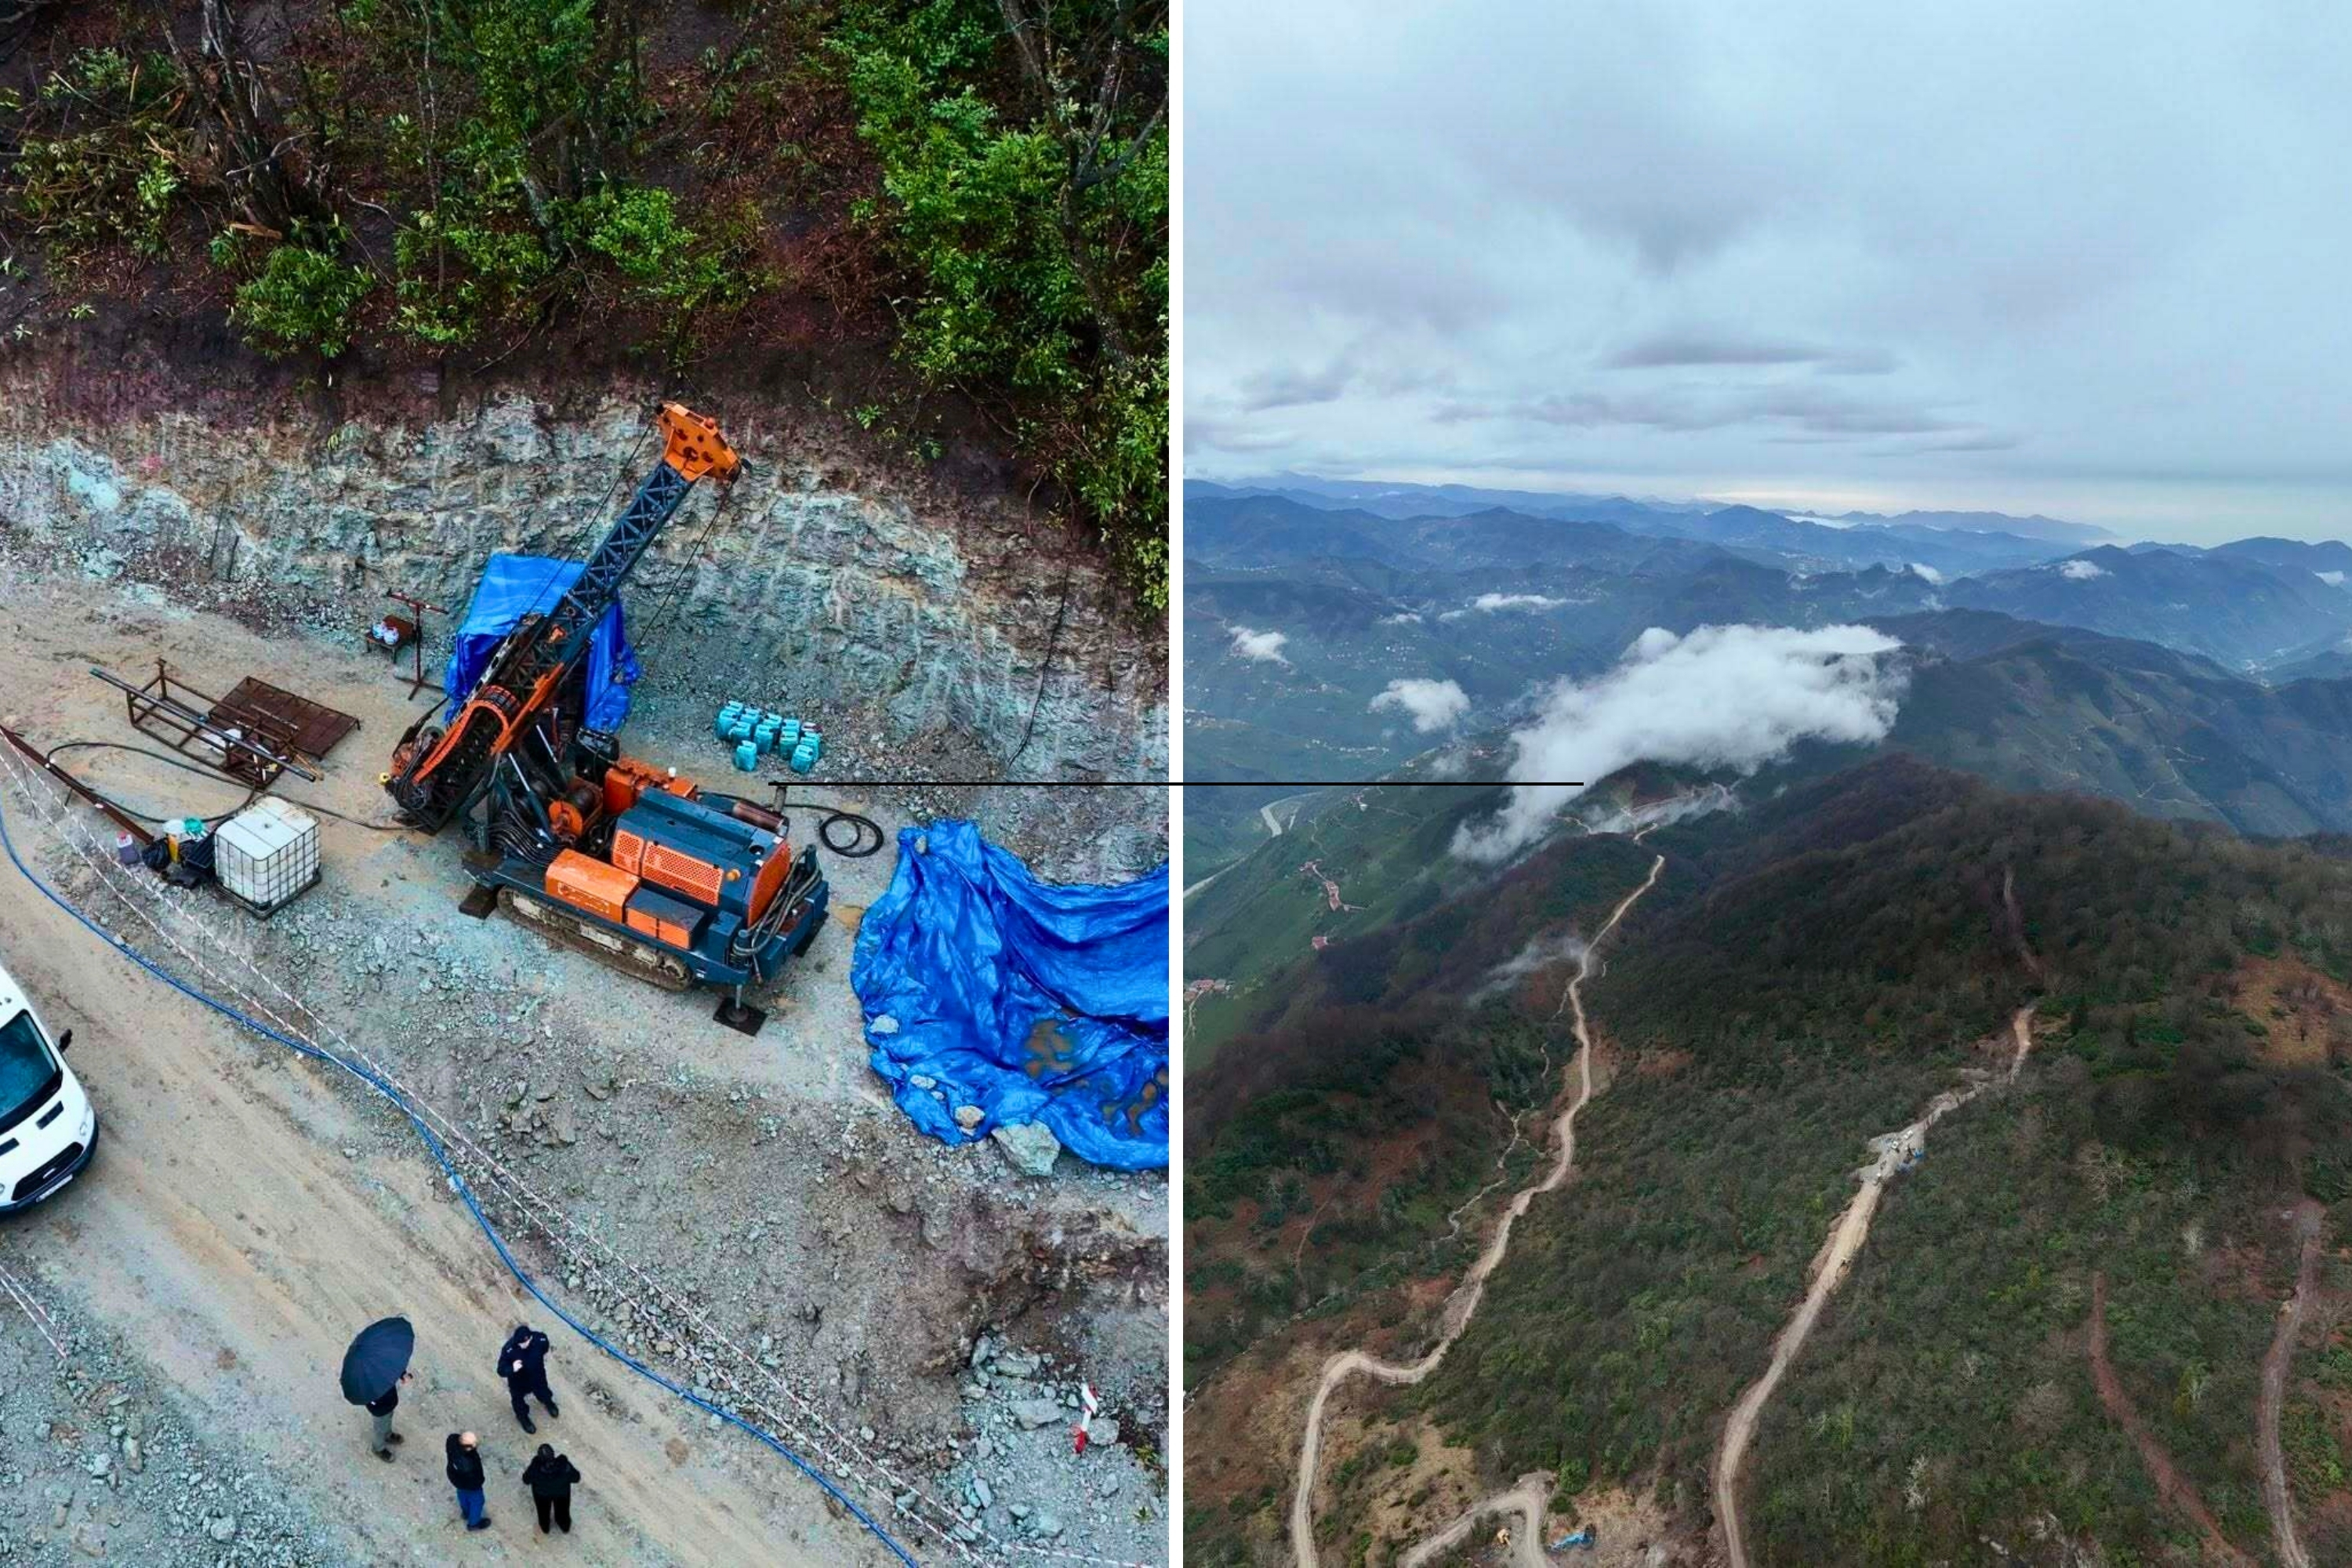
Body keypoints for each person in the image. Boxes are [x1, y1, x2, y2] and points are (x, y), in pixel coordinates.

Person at [497, 1323, 559, 1433]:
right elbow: (501, 1370)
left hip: (537, 1376)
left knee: (543, 1391)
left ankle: (548, 1403)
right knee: (518, 1401)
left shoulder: (540, 1340)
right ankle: (523, 1418)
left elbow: (545, 1347)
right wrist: (512, 1368)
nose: (520, 1345)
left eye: (523, 1343)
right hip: (518, 1382)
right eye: (518, 1343)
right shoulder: (509, 1349)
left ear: (530, 1339)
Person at [521, 1443, 582, 1535]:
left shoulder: (535, 1468)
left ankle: (545, 1527)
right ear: (553, 1454)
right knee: (563, 1511)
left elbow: (526, 1480)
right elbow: (576, 1478)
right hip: (562, 1493)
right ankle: (564, 1526)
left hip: (542, 1495)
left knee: (543, 1512)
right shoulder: (564, 1465)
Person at [445, 1431, 492, 1531]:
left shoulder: (452, 1441)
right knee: (477, 1501)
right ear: (467, 1448)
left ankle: (466, 1512)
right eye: (473, 1444)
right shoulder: (468, 1464)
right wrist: (480, 1482)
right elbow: (475, 1480)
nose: (475, 1445)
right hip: (470, 1484)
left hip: (455, 1478)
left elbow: (454, 1437)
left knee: (462, 1494)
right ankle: (474, 1523)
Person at [365, 1370, 412, 1462]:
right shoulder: (364, 1376)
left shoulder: (381, 1364)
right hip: (379, 1408)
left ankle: (387, 1434)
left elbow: (393, 1365)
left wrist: (402, 1374)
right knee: (380, 1429)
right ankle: (378, 1448)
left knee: (388, 1418)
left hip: (389, 1400)